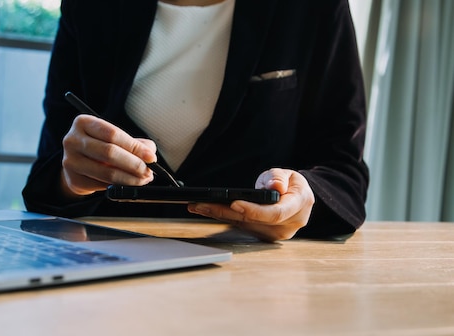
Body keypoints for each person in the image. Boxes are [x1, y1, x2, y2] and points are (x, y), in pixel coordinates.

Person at [22, 0, 370, 242]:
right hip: (106, 266)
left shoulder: (313, 8)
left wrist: (303, 196)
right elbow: (47, 178)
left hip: (257, 274)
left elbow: (344, 173)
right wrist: (72, 180)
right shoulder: (91, 8)